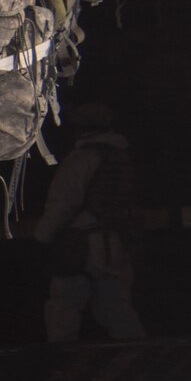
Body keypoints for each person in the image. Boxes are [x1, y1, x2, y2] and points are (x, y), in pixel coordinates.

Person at [33, 103, 144, 342]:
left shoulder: (81, 159)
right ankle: (135, 353)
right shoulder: (121, 157)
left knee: (64, 306)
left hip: (83, 244)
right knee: (116, 305)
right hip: (116, 241)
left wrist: (43, 237)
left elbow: (62, 203)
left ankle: (64, 362)